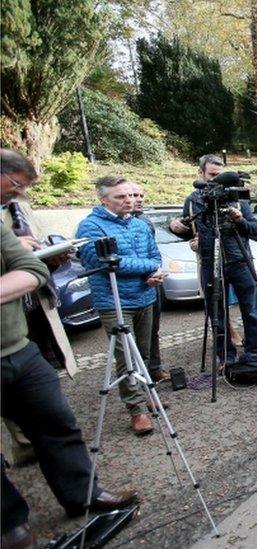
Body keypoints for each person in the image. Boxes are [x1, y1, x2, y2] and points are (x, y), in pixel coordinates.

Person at [1, 185, 138, 549]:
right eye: (12, 183)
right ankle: (9, 526)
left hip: (18, 348)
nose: (17, 191)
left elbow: (31, 268)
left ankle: (84, 494)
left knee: (57, 422)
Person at [1, 149, 78, 465]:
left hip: (35, 303)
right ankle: (23, 446)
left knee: (44, 376)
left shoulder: (22, 209)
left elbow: (35, 257)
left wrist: (51, 256)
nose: (19, 192)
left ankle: (49, 443)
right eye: (16, 184)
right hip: (7, 317)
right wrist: (16, 250)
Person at [76, 176, 164, 436]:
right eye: (120, 197)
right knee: (126, 358)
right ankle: (136, 411)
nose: (129, 200)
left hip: (145, 295)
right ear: (103, 200)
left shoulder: (138, 224)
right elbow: (106, 263)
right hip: (114, 301)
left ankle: (147, 394)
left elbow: (154, 254)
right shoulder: (90, 227)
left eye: (130, 195)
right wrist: (149, 267)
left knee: (144, 353)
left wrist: (156, 271)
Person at [169, 154, 257, 368]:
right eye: (212, 175)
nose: (216, 181)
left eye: (220, 176)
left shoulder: (237, 197)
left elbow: (254, 228)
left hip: (240, 260)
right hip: (211, 263)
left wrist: (239, 219)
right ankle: (226, 358)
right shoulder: (194, 200)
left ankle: (255, 352)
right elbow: (190, 231)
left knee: (251, 310)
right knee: (217, 315)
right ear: (201, 174)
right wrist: (176, 228)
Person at [131, 183, 170, 383]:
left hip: (152, 284)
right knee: (133, 337)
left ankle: (154, 368)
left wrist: (157, 270)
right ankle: (138, 378)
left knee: (153, 330)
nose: (138, 199)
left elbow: (154, 252)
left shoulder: (145, 221)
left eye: (141, 195)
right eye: (133, 195)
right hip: (131, 288)